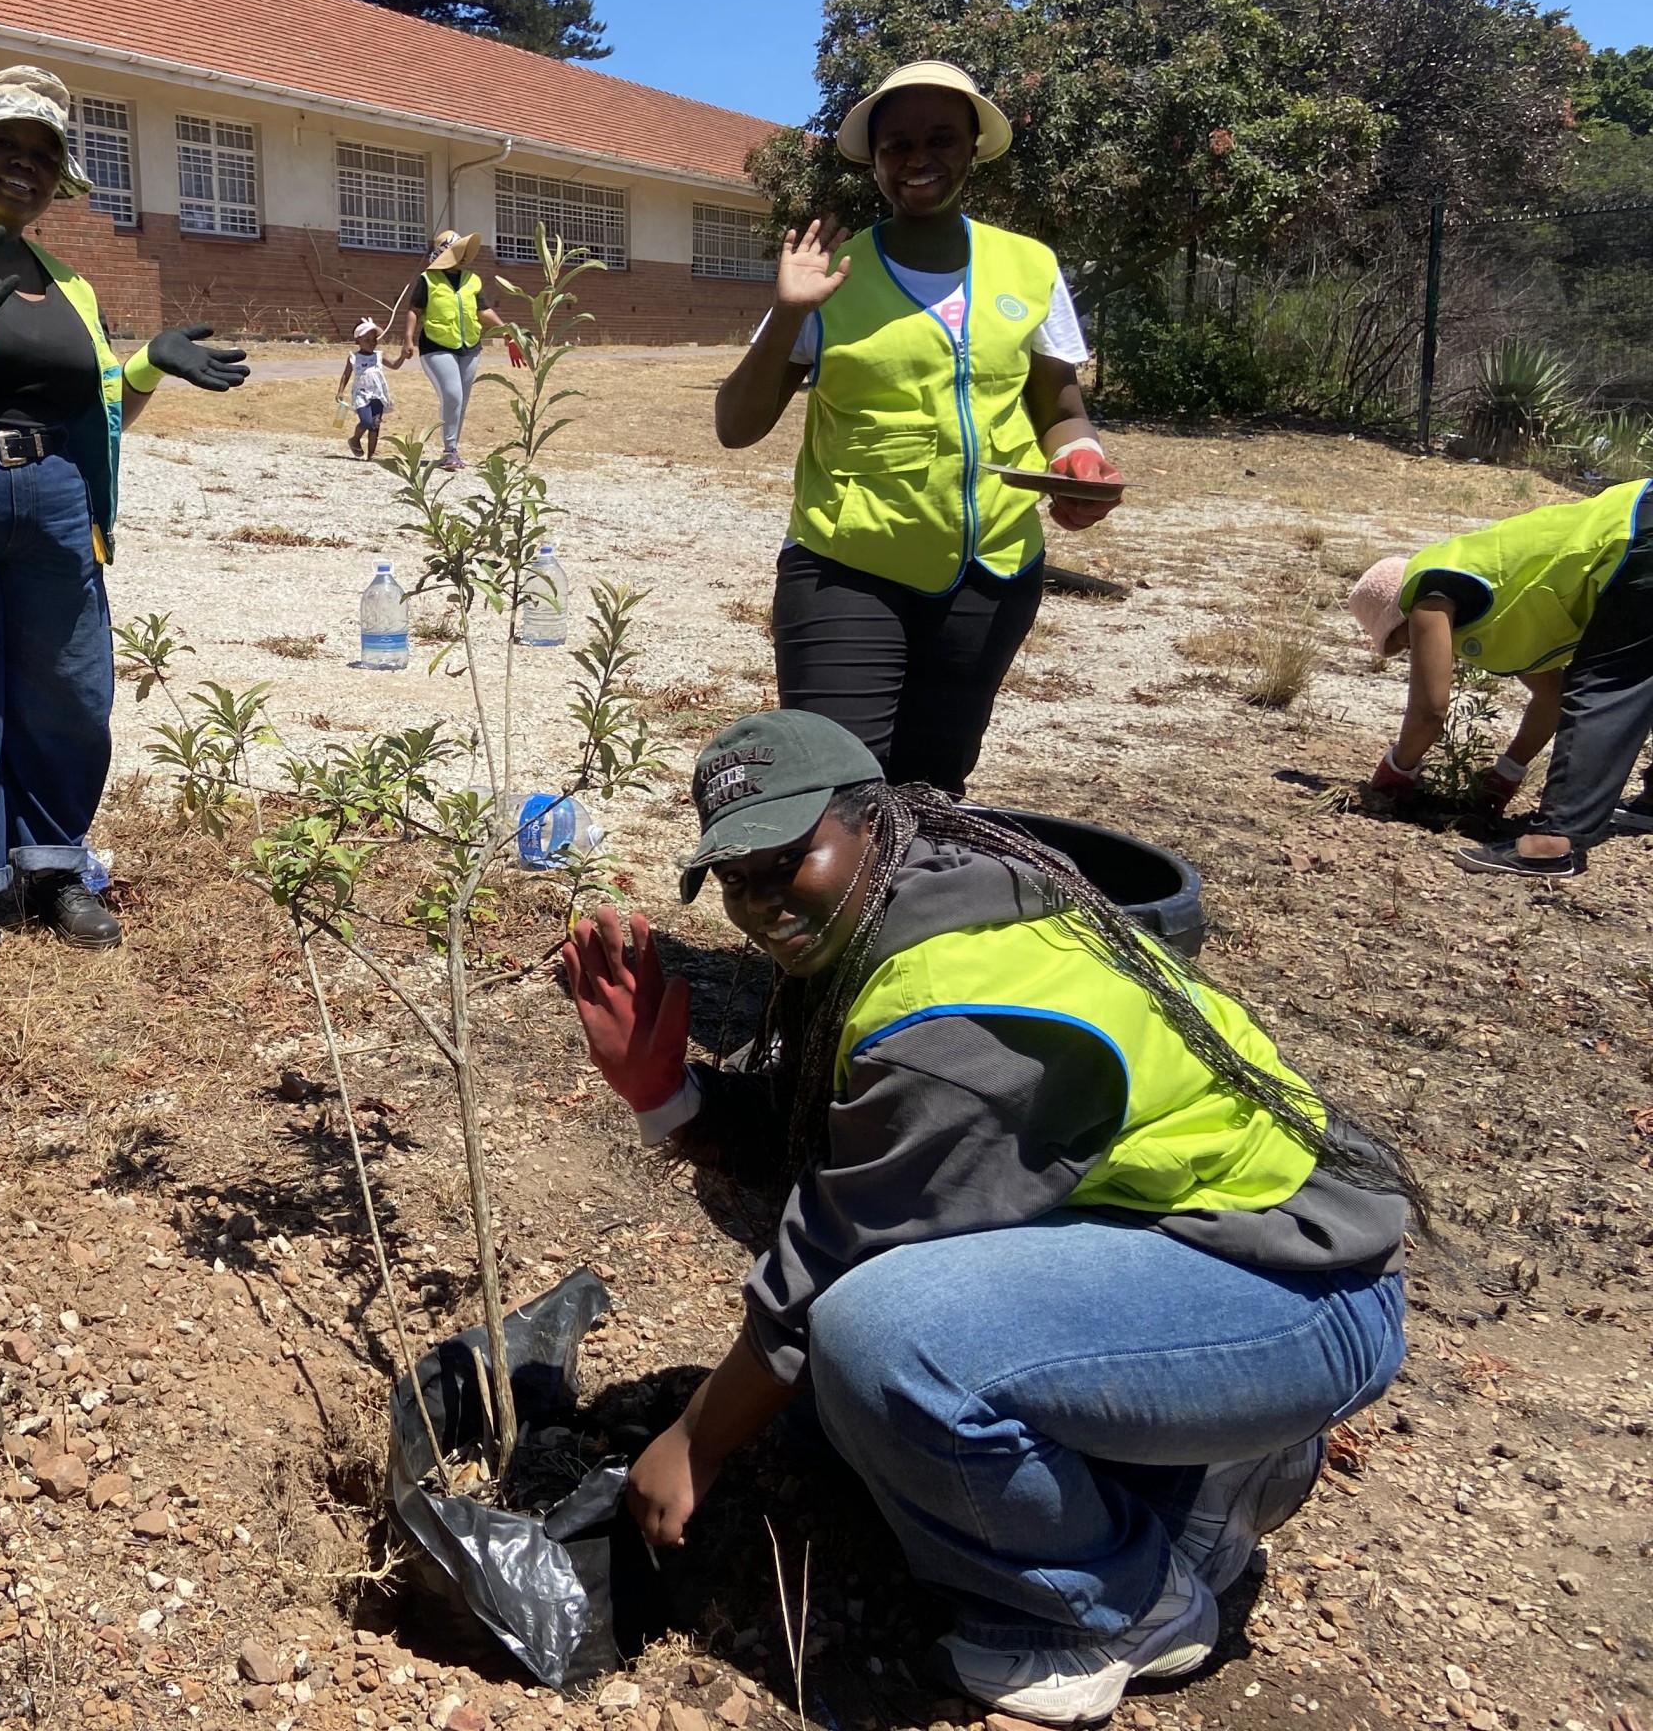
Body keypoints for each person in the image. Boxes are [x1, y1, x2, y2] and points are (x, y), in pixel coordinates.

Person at [556, 710, 1412, 1725]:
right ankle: (1212, 1474)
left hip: (1296, 1299)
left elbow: (825, 1264)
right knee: (844, 1413)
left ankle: (1116, 1608)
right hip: (1228, 1261)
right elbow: (842, 1163)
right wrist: (667, 1095)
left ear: (869, 825)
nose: (762, 901)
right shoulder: (928, 903)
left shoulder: (951, 1003)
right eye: (736, 878)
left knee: (883, 1343)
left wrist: (693, 1444)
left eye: (790, 859)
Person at [0, 67, 249, 984]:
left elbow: (97, 413)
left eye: (42, 155)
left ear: (60, 178)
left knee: (67, 691)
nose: (21, 167)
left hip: (59, 501)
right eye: (4, 148)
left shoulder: (67, 281)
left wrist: (146, 365)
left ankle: (53, 864)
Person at [711, 61, 1122, 794]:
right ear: (874, 160)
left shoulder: (1029, 266)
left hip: (992, 573)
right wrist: (788, 317)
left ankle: (916, 909)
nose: (919, 159)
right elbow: (735, 426)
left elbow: (1059, 406)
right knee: (835, 790)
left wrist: (1082, 459)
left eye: (940, 138)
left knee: (934, 789)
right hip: (849, 568)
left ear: (972, 147)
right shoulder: (832, 273)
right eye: (897, 145)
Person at [1348, 476, 1653, 878]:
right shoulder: (1505, 601)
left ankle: (1553, 844)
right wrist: (1507, 774)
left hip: (1633, 532)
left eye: (1399, 641)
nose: (1410, 651)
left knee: (1606, 684)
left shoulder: (1429, 593)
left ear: (1400, 615)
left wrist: (1396, 771)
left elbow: (1430, 711)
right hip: (1637, 514)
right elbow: (1550, 699)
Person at [387, 228, 511, 471]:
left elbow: (482, 310)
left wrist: (506, 330)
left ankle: (453, 449)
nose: (463, 255)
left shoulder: (472, 279)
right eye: (458, 251)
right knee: (452, 394)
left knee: (461, 400)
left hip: (470, 347)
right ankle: (448, 451)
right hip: (436, 345)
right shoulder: (428, 279)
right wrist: (408, 339)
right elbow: (414, 310)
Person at [336, 316, 390, 458]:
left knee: (375, 425)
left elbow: (395, 365)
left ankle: (371, 455)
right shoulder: (354, 357)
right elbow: (346, 374)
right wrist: (340, 391)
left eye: (374, 340)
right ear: (358, 340)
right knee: (366, 421)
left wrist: (403, 356)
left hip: (377, 394)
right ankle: (355, 439)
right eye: (367, 340)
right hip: (361, 394)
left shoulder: (378, 356)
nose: (372, 343)